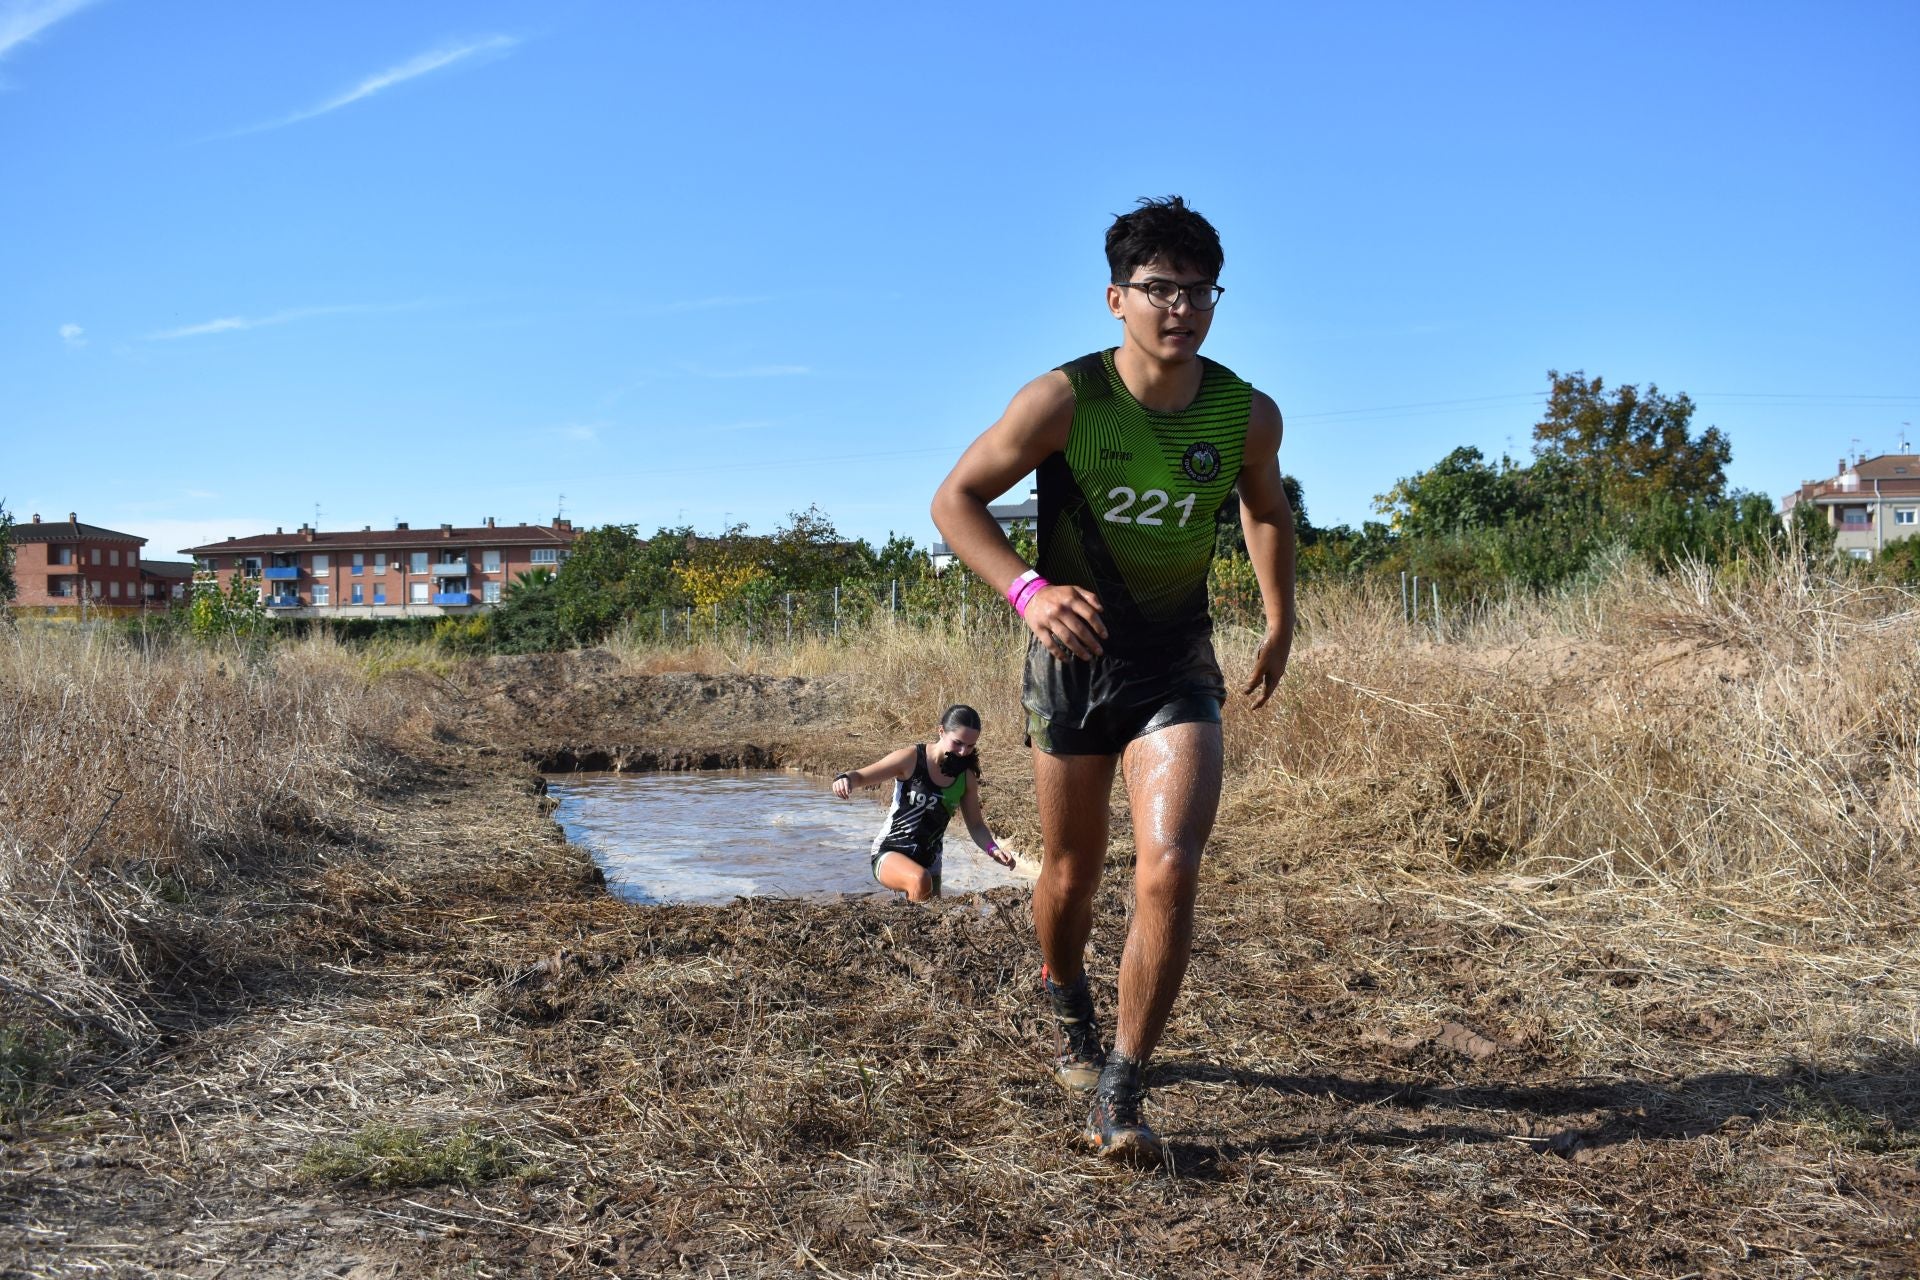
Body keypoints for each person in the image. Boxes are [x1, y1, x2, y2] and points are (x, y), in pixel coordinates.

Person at [930, 196, 1295, 1165]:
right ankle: (1066, 990)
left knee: (1170, 863)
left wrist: (1280, 615)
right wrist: (1028, 590)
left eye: (1198, 289)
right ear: (1116, 297)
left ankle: (1122, 1087)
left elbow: (1265, 509)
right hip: (1073, 660)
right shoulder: (1065, 400)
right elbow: (954, 498)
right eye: (1158, 288)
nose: (1180, 306)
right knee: (1071, 874)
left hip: (1176, 658)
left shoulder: (1244, 411)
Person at [832, 704, 1016, 902]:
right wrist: (845, 778)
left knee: (932, 917)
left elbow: (976, 825)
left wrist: (993, 849)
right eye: (958, 743)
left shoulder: (966, 777)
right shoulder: (912, 759)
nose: (963, 752)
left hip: (930, 863)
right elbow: (861, 776)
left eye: (970, 746)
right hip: (890, 852)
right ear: (941, 731)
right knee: (919, 880)